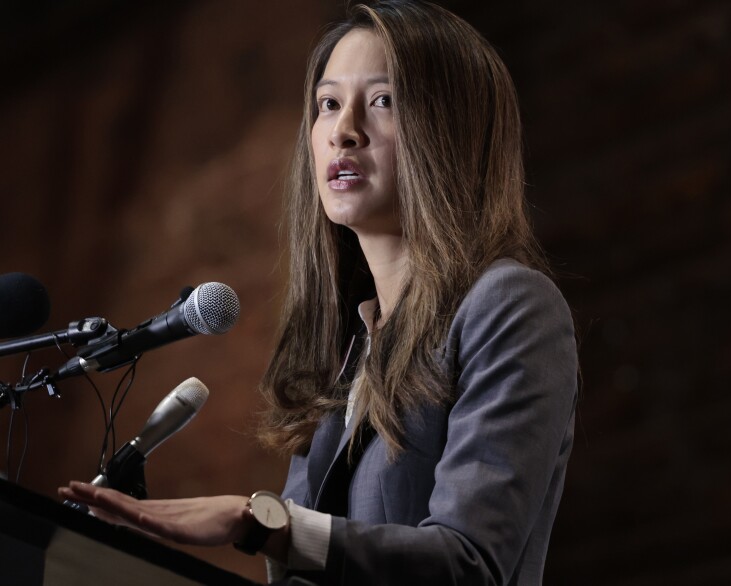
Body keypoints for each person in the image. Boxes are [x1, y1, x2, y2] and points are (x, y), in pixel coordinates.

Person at [59, 1, 579, 584]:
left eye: (383, 101)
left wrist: (256, 522)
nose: (344, 130)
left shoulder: (510, 306)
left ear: (454, 130)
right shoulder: (347, 348)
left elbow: (468, 563)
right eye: (328, 104)